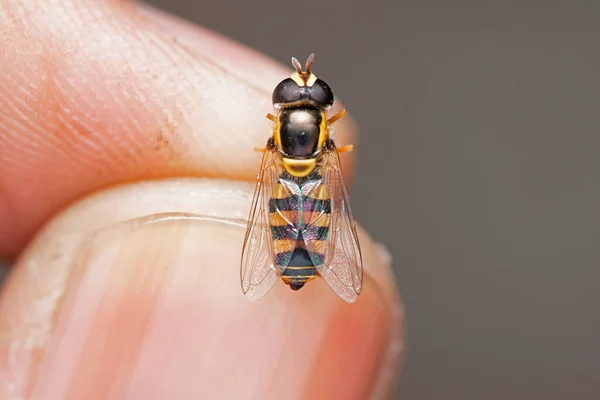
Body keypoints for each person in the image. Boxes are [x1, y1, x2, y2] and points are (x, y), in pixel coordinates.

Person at [0, 1, 404, 398]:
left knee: (278, 192)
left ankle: (291, 259)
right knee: (313, 198)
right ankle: (309, 259)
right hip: (313, 187)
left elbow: (269, 175)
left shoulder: (273, 143)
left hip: (283, 191)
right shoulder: (329, 147)